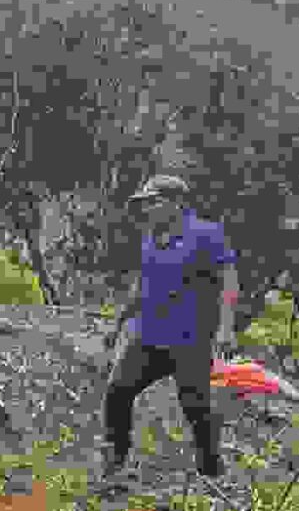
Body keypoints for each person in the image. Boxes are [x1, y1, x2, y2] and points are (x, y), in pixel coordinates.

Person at [102, 174, 239, 483]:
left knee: (195, 406)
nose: (147, 209)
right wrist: (118, 322)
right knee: (118, 390)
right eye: (145, 203)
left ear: (176, 203)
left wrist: (226, 328)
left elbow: (228, 281)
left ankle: (211, 472)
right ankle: (115, 462)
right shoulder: (151, 237)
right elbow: (142, 284)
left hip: (189, 339)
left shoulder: (206, 234)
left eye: (153, 202)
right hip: (148, 336)